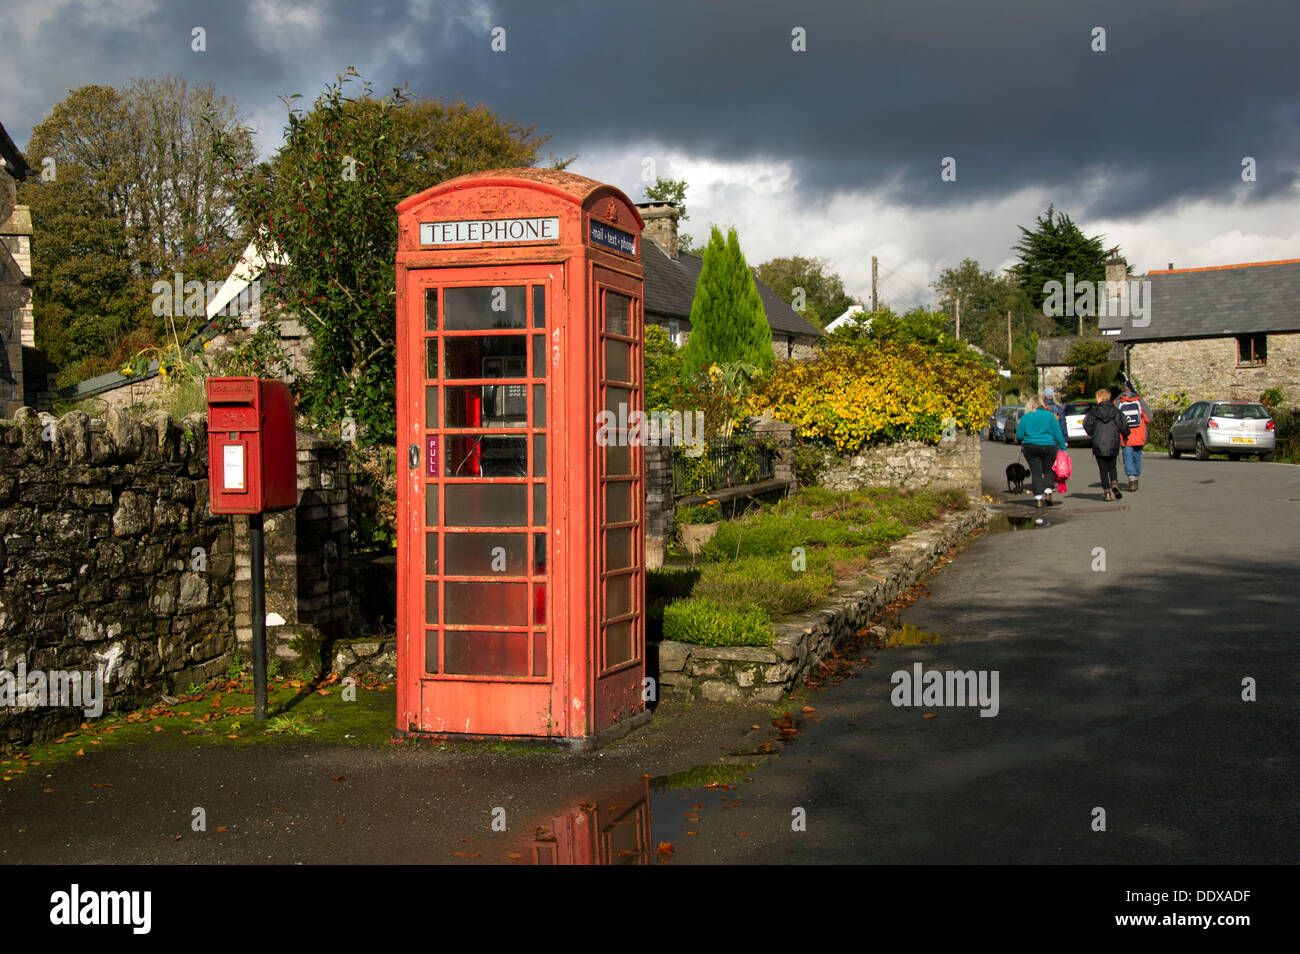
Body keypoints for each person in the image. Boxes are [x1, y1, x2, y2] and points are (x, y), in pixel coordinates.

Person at [1017, 394, 1068, 508]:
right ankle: (1048, 493)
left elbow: (1019, 435)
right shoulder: (1050, 415)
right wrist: (1063, 447)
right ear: (1042, 403)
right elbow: (1058, 433)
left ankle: (1038, 499)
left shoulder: (1026, 417)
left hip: (1030, 447)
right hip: (1049, 446)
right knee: (1048, 471)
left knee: (1036, 473)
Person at [1083, 387, 1131, 501]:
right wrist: (1125, 436)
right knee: (1112, 467)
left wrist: (1093, 434)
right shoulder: (1116, 411)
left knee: (1103, 469)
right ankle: (1114, 483)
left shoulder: (1094, 412)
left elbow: (1086, 425)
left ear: (1100, 398)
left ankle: (1107, 492)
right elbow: (1124, 425)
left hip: (1099, 443)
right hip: (1113, 442)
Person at [1116, 384, 1152, 491]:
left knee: (1128, 457)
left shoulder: (1118, 402)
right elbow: (1149, 417)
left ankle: (1132, 480)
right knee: (1137, 456)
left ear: (1122, 390)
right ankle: (1135, 477)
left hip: (1125, 435)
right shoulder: (1140, 401)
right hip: (1139, 434)